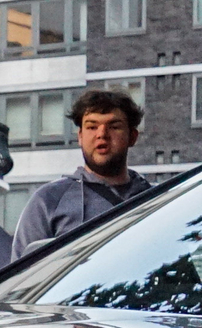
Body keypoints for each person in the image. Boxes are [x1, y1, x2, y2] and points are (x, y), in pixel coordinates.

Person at [8, 89, 155, 260]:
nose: (102, 134)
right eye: (92, 127)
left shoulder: (158, 199)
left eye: (114, 127)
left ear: (132, 136)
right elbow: (21, 276)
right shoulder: (48, 200)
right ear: (80, 136)